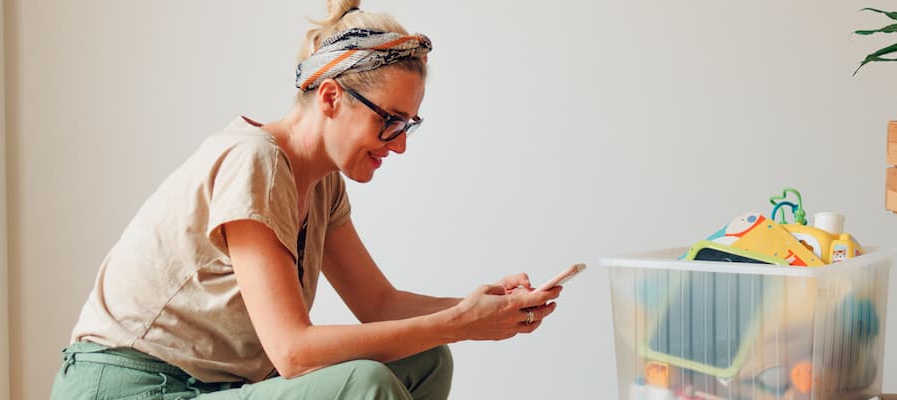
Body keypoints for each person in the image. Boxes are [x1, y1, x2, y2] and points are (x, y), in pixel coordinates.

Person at [49, 1, 561, 398]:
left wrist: (484, 310)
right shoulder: (255, 160)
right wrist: (458, 323)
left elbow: (378, 304)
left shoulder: (322, 184)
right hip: (137, 388)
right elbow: (292, 352)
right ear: (332, 97)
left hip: (211, 387)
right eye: (390, 120)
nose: (400, 143)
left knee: (427, 361)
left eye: (410, 125)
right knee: (368, 385)